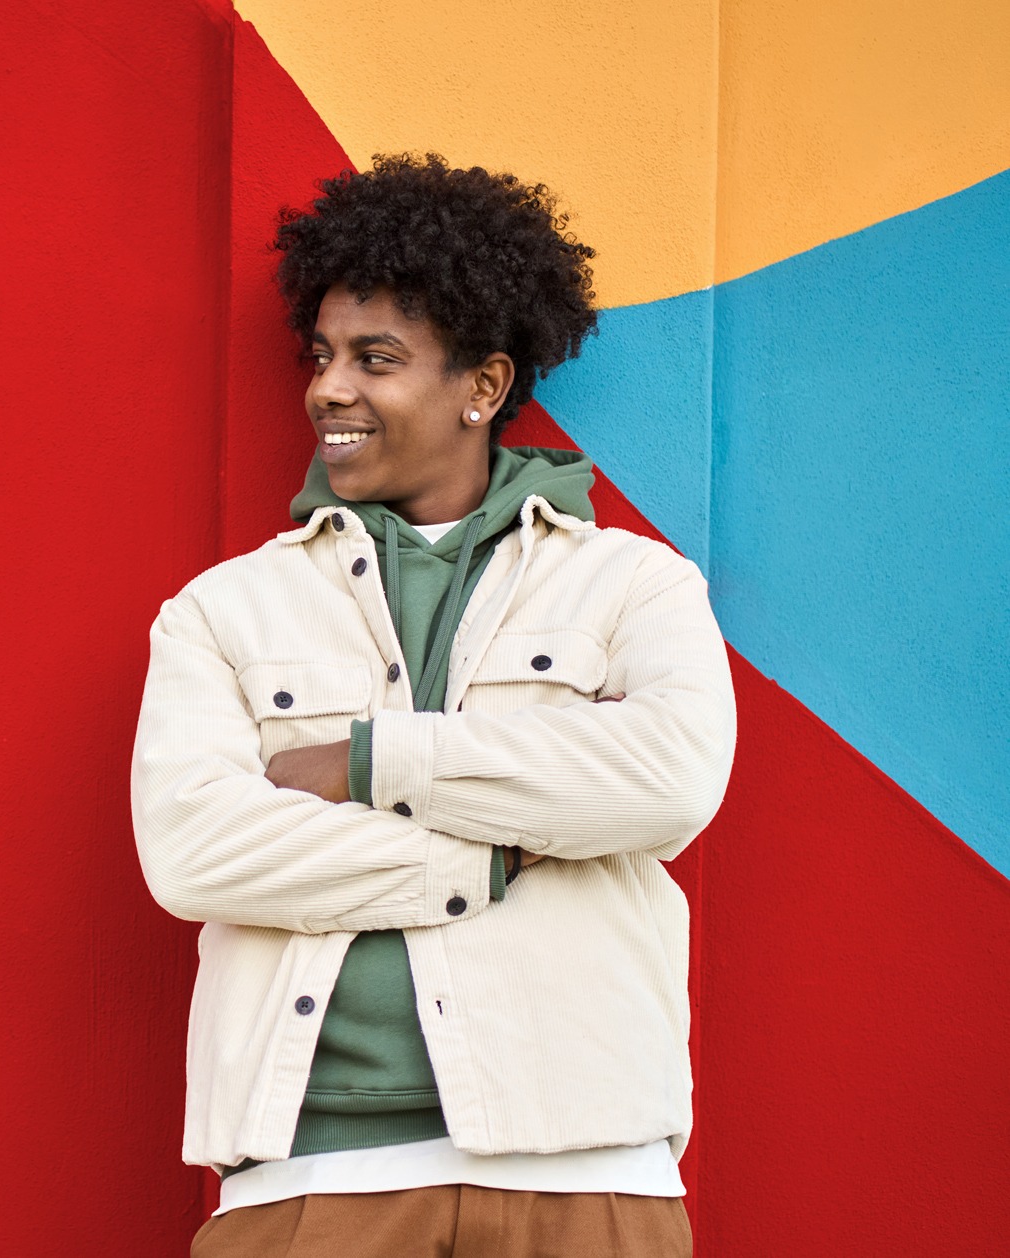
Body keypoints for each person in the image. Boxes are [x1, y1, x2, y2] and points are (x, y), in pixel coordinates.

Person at [130, 153, 737, 1258]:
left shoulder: (635, 585)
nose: (328, 389)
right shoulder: (222, 610)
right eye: (322, 356)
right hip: (310, 1179)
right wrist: (498, 851)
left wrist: (369, 762)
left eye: (376, 359)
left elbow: (670, 780)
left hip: (588, 1171)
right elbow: (191, 853)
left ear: (482, 387)